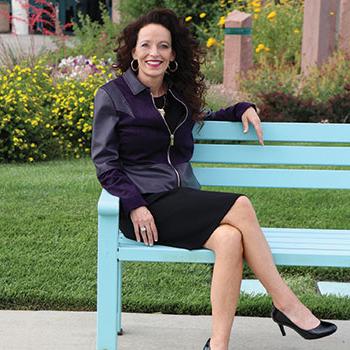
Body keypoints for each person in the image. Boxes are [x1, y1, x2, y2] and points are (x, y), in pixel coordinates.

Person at [91, 8, 337, 350]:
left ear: (173, 54)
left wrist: (240, 109)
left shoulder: (175, 97)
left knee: (230, 240)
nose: (154, 53)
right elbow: (105, 162)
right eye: (145, 45)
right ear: (133, 51)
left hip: (178, 202)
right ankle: (286, 304)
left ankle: (218, 345)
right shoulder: (112, 96)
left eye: (163, 46)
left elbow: (204, 119)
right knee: (240, 204)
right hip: (142, 208)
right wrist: (134, 204)